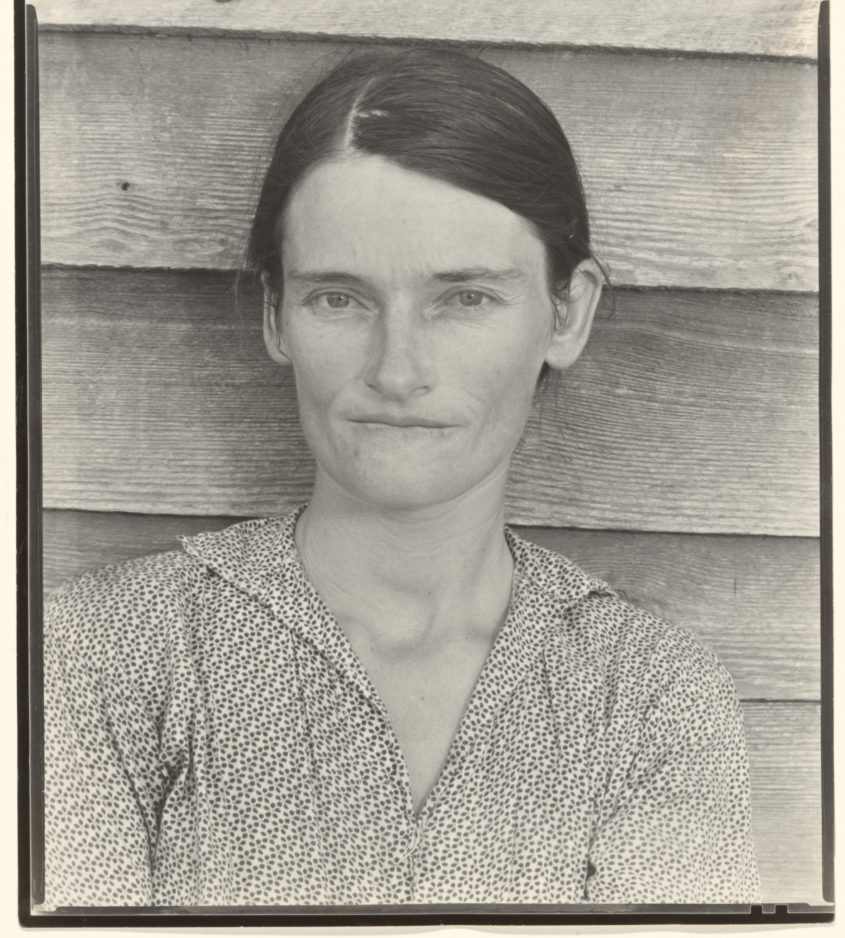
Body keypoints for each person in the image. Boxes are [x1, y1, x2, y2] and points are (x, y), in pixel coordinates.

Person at [43, 48, 760, 908]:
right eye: (339, 298)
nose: (396, 369)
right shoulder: (95, 655)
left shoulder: (648, 694)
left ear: (566, 314)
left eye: (464, 298)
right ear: (277, 315)